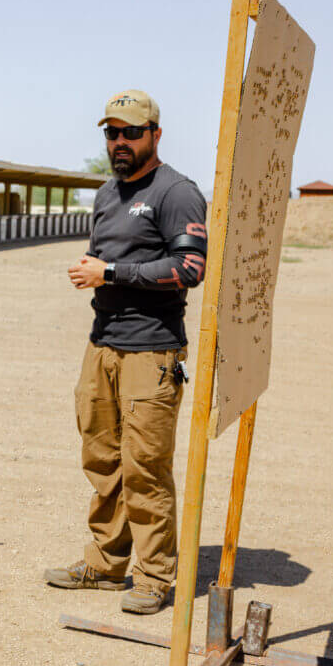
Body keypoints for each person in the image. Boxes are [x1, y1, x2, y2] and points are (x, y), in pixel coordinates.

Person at [45, 89, 209, 615]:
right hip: (103, 347)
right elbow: (105, 254)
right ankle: (105, 563)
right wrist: (95, 266)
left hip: (152, 353)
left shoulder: (176, 192)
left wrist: (111, 272)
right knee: (103, 462)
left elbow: (190, 269)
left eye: (130, 132)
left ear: (154, 135)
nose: (119, 142)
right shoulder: (106, 194)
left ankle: (156, 576)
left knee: (145, 467)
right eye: (112, 132)